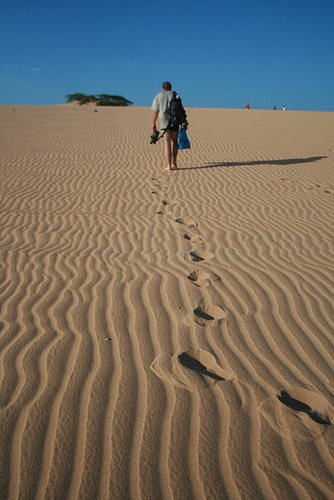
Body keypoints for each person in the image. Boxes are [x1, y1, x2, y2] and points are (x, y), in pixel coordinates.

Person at [151, 82, 187, 171]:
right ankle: (174, 161)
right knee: (174, 141)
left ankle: (169, 165)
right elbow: (181, 109)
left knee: (167, 143)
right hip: (175, 121)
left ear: (163, 88)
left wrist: (153, 123)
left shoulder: (159, 96)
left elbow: (156, 111)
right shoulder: (175, 95)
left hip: (164, 121)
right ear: (170, 88)